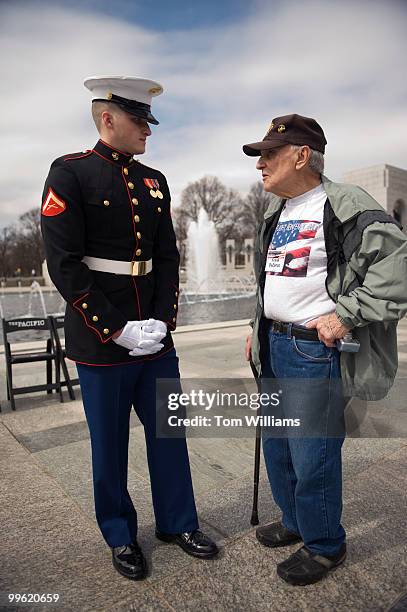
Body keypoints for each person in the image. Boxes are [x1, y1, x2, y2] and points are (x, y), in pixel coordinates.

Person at [41, 76, 218, 581]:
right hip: (103, 340)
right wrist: (115, 329)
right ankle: (120, 534)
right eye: (140, 121)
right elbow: (65, 264)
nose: (148, 131)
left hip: (154, 338)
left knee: (169, 433)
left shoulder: (154, 180)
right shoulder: (70, 173)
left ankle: (178, 523)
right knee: (109, 443)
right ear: (108, 119)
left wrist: (163, 322)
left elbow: (167, 258)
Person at [243, 113, 407, 585]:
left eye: (269, 155)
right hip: (273, 344)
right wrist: (258, 325)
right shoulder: (277, 211)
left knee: (312, 451)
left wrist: (347, 313)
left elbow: (397, 267)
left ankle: (324, 545)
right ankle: (297, 522)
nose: (261, 165)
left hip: (312, 350)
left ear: (301, 156)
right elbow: (271, 278)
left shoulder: (345, 203)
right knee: (279, 446)